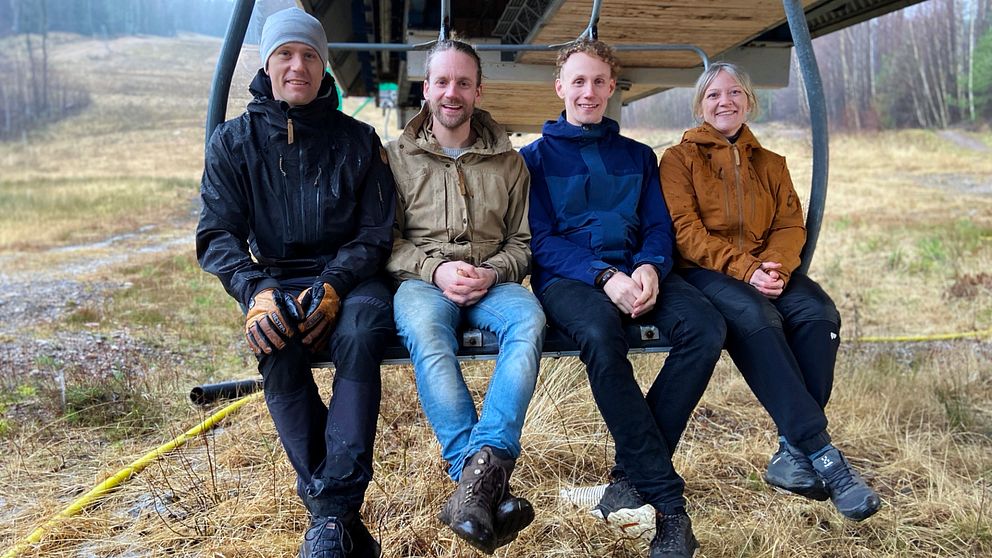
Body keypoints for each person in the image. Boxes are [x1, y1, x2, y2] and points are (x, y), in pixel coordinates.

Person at [196, 8, 395, 557]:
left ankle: (329, 516)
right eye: (285, 53)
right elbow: (217, 234)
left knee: (358, 335)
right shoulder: (234, 143)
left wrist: (334, 283)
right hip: (275, 278)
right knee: (275, 345)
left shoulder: (359, 140)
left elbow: (377, 233)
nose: (298, 65)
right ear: (266, 62)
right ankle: (336, 519)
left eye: (309, 55)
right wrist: (254, 290)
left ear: (324, 65)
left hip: (355, 280)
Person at [521, 40, 726, 558]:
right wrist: (603, 276)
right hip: (572, 279)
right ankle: (669, 506)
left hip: (638, 270)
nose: (588, 92)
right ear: (560, 87)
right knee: (599, 333)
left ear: (612, 89)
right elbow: (540, 241)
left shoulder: (638, 156)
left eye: (598, 82)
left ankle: (629, 476)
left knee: (704, 328)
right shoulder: (534, 160)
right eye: (578, 81)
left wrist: (649, 268)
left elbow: (659, 226)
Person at [659, 61, 881, 522]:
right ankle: (823, 456)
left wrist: (773, 267)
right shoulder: (680, 160)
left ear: (749, 101)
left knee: (819, 314)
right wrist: (746, 269)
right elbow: (685, 232)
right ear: (701, 104)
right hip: (706, 271)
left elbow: (789, 224)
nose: (726, 102)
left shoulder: (772, 163)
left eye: (735, 93)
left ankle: (789, 451)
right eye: (715, 95)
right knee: (756, 317)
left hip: (768, 267)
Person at [385, 39, 545, 555]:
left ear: (479, 90)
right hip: (423, 283)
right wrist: (435, 271)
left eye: (463, 82)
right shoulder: (394, 159)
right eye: (442, 82)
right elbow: (384, 242)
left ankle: (473, 484)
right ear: (426, 88)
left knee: (529, 322)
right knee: (428, 333)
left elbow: (523, 244)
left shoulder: (509, 164)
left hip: (492, 284)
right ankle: (478, 481)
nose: (452, 93)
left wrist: (492, 271)